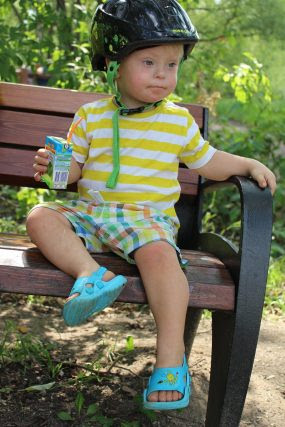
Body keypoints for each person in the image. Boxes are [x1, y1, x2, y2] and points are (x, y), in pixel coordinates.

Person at [26, 0, 276, 411]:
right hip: (92, 212)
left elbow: (209, 161)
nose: (163, 74)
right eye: (149, 62)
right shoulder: (90, 117)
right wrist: (57, 166)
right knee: (40, 216)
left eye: (172, 64)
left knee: (162, 257)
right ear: (112, 64)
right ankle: (91, 275)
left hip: (145, 219)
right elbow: (72, 175)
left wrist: (247, 164)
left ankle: (169, 361)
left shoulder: (176, 121)